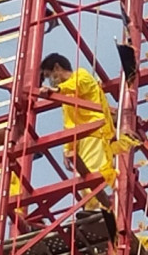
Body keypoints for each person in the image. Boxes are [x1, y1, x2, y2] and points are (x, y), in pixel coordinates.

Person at [39, 53, 117, 188]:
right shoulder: (66, 97)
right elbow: (69, 125)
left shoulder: (81, 75)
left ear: (57, 68)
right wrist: (67, 148)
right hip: (83, 139)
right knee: (86, 184)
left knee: (93, 179)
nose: (51, 81)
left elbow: (78, 84)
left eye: (49, 75)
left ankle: (99, 208)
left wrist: (57, 89)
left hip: (95, 133)